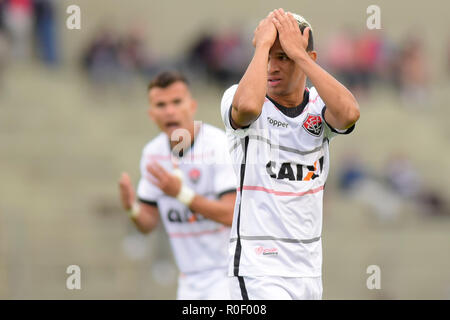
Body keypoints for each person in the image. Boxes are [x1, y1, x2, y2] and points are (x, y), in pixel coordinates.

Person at [220, 9, 360, 300]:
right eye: (268, 55)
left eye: (282, 57)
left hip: (308, 271)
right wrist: (262, 46)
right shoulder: (240, 96)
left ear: (308, 58)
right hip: (259, 270)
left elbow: (349, 114)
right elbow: (246, 108)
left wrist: (299, 54)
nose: (272, 66)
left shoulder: (318, 108)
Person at [119, 71, 237, 299]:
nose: (170, 111)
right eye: (161, 105)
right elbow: (148, 224)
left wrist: (181, 194)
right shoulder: (152, 154)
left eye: (176, 102)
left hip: (229, 275)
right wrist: (131, 208)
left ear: (192, 106)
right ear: (151, 114)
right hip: (189, 280)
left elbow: (231, 214)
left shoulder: (218, 146)